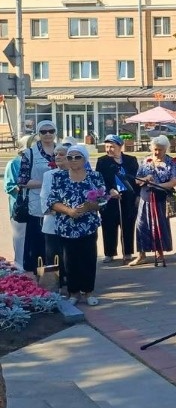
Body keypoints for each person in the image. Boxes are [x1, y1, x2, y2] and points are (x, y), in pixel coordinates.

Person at [46, 144, 108, 305]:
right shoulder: (59, 177)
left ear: (84, 159)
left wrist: (89, 206)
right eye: (70, 157)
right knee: (69, 261)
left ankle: (88, 292)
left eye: (77, 157)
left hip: (88, 225)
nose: (73, 160)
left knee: (88, 259)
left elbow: (103, 201)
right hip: (66, 226)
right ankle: (73, 293)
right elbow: (51, 201)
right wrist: (69, 211)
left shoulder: (95, 176)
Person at [17, 120, 59, 276]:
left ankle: (59, 274)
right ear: (38, 134)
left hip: (60, 203)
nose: (48, 134)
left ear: (55, 132)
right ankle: (38, 274)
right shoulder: (30, 153)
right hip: (37, 204)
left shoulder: (62, 151)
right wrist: (46, 183)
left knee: (57, 240)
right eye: (43, 131)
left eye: (51, 131)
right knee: (38, 240)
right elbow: (22, 181)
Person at [132, 136, 176, 267]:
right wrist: (146, 179)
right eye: (155, 149)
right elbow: (137, 180)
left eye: (160, 150)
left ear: (166, 149)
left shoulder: (171, 162)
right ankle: (141, 255)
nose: (157, 152)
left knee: (160, 226)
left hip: (161, 199)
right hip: (145, 197)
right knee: (141, 225)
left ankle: (160, 253)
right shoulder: (146, 160)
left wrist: (158, 186)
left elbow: (173, 182)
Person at [96, 134, 139, 264]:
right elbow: (99, 180)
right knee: (109, 225)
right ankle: (109, 253)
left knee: (128, 224)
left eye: (112, 147)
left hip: (128, 198)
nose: (108, 149)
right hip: (110, 198)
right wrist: (109, 190)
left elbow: (136, 179)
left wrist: (137, 196)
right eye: (107, 147)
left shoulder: (131, 160)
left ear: (120, 147)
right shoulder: (102, 161)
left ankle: (128, 252)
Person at [40, 143, 71, 290]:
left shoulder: (76, 173)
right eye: (56, 154)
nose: (57, 157)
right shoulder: (48, 175)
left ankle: (71, 281)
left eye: (61, 154)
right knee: (52, 254)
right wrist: (54, 210)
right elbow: (44, 196)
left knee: (69, 253)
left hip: (71, 221)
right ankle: (54, 284)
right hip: (52, 219)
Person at [5, 135, 33, 270]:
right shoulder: (13, 163)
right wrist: (26, 186)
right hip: (20, 207)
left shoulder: (36, 162)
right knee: (20, 237)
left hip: (35, 206)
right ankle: (20, 266)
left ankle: (32, 266)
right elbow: (9, 186)